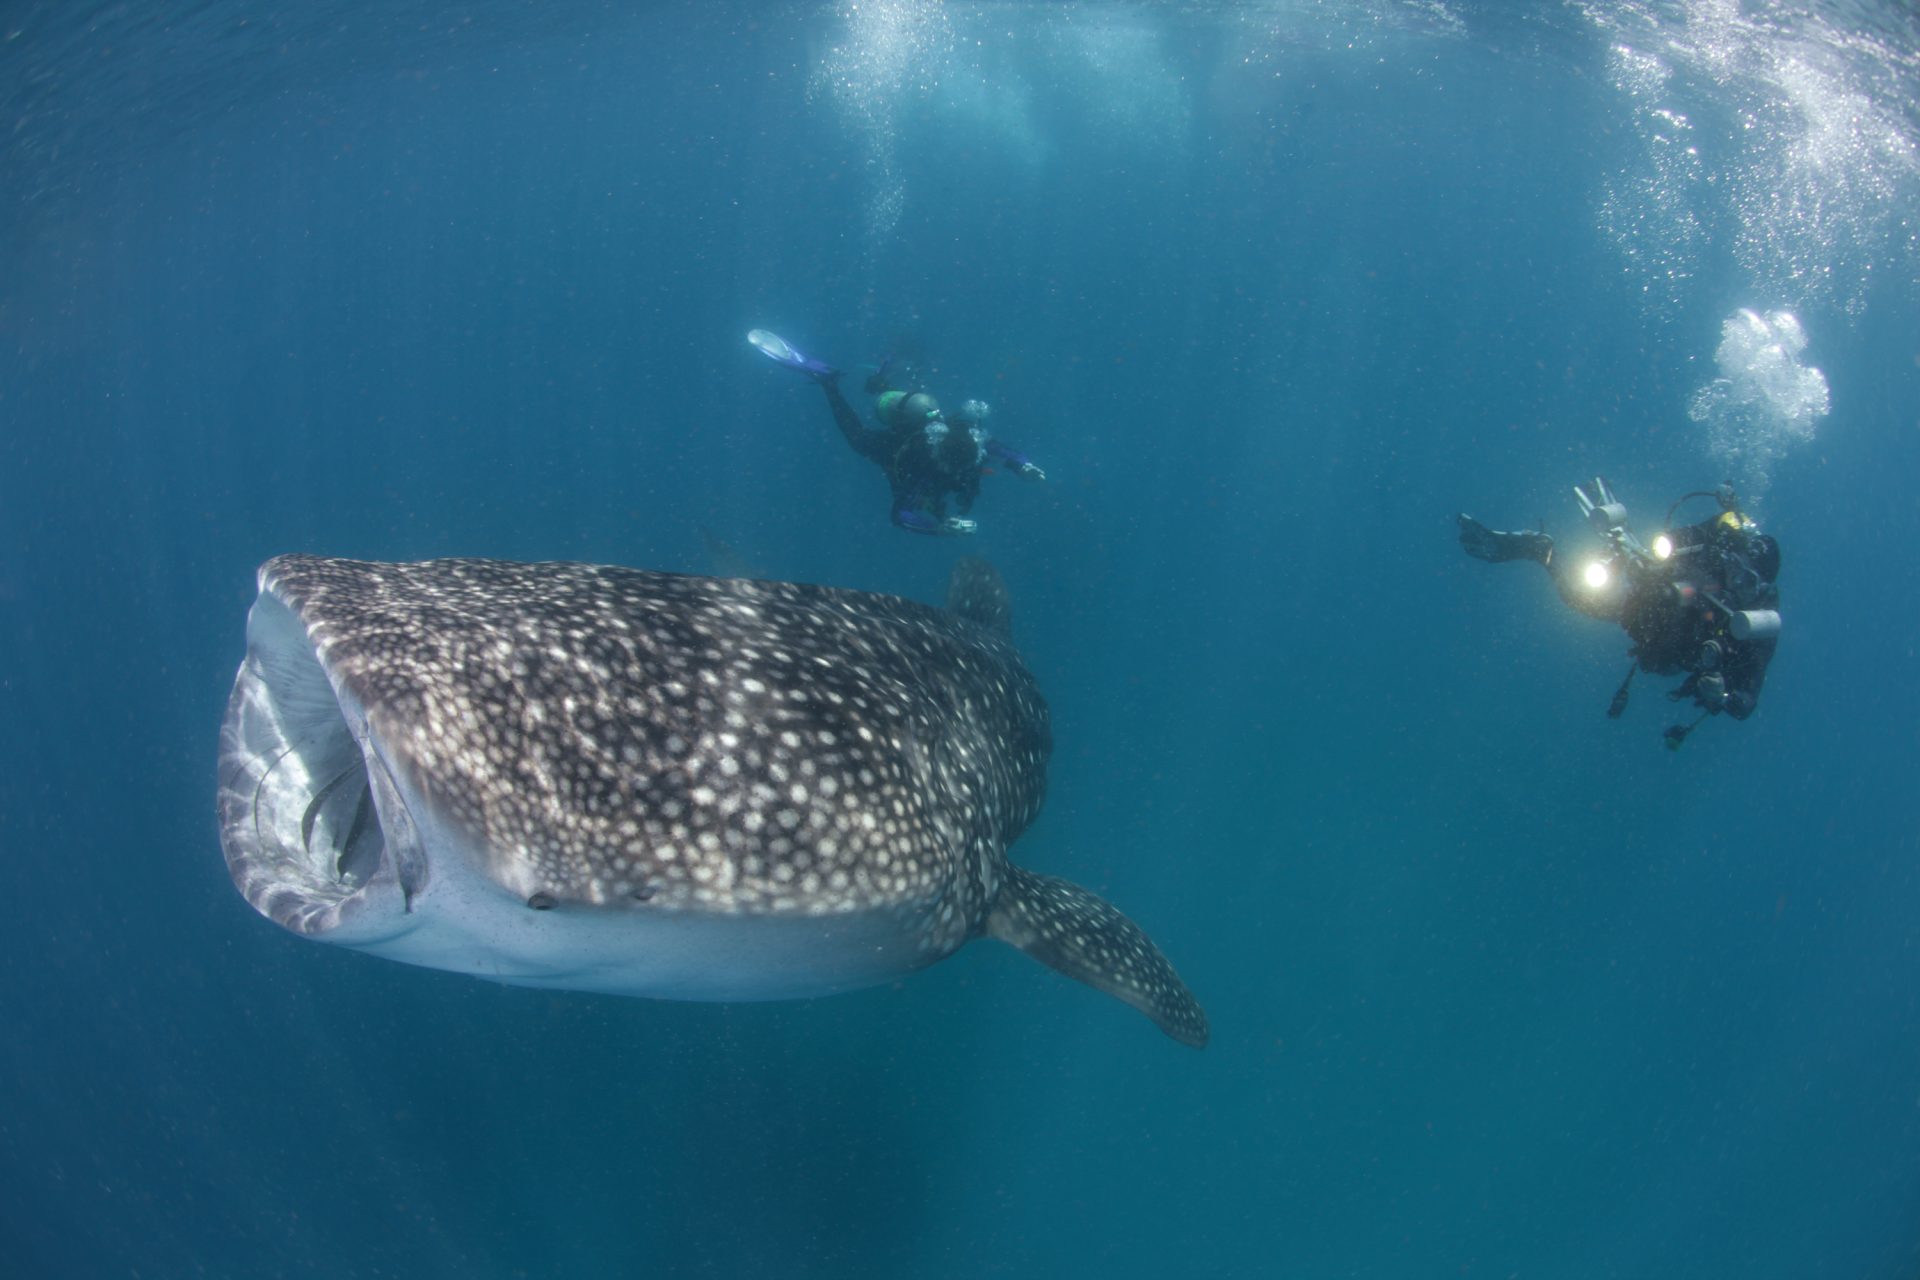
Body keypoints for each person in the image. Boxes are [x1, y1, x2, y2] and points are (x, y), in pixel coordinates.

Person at [1458, 478, 1781, 748]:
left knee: (1582, 600)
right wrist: (1642, 560)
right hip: (1652, 610)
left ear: (1761, 584)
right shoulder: (1712, 552)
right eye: (1734, 565)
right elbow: (1674, 541)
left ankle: (1541, 550)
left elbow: (1746, 702)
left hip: (1671, 645)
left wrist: (1723, 694)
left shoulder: (1757, 624)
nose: (1737, 577)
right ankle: (1541, 551)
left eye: (1747, 577)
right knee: (1580, 596)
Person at [749, 329, 1045, 535]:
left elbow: (998, 449)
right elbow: (901, 515)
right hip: (896, 446)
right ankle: (829, 383)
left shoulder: (970, 439)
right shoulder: (921, 469)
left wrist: (1023, 465)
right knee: (858, 438)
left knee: (901, 400)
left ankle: (882, 374)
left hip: (919, 417)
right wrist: (938, 528)